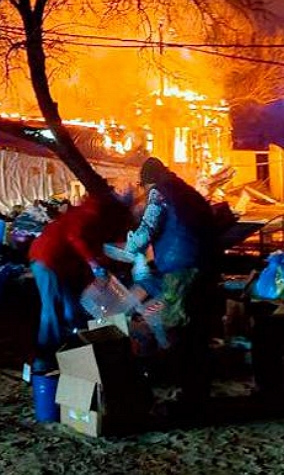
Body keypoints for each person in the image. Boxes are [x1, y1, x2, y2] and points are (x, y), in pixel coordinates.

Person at [125, 156, 218, 409]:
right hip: (206, 265)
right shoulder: (186, 190)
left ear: (147, 182)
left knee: (177, 327)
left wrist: (132, 244)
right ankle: (200, 390)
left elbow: (148, 228)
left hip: (182, 268)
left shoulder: (159, 193)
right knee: (198, 328)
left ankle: (189, 394)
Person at [27, 192, 130, 372]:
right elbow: (75, 238)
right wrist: (93, 264)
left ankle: (72, 350)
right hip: (48, 258)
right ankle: (45, 357)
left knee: (70, 308)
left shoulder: (86, 215)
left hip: (54, 261)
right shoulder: (88, 216)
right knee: (52, 308)